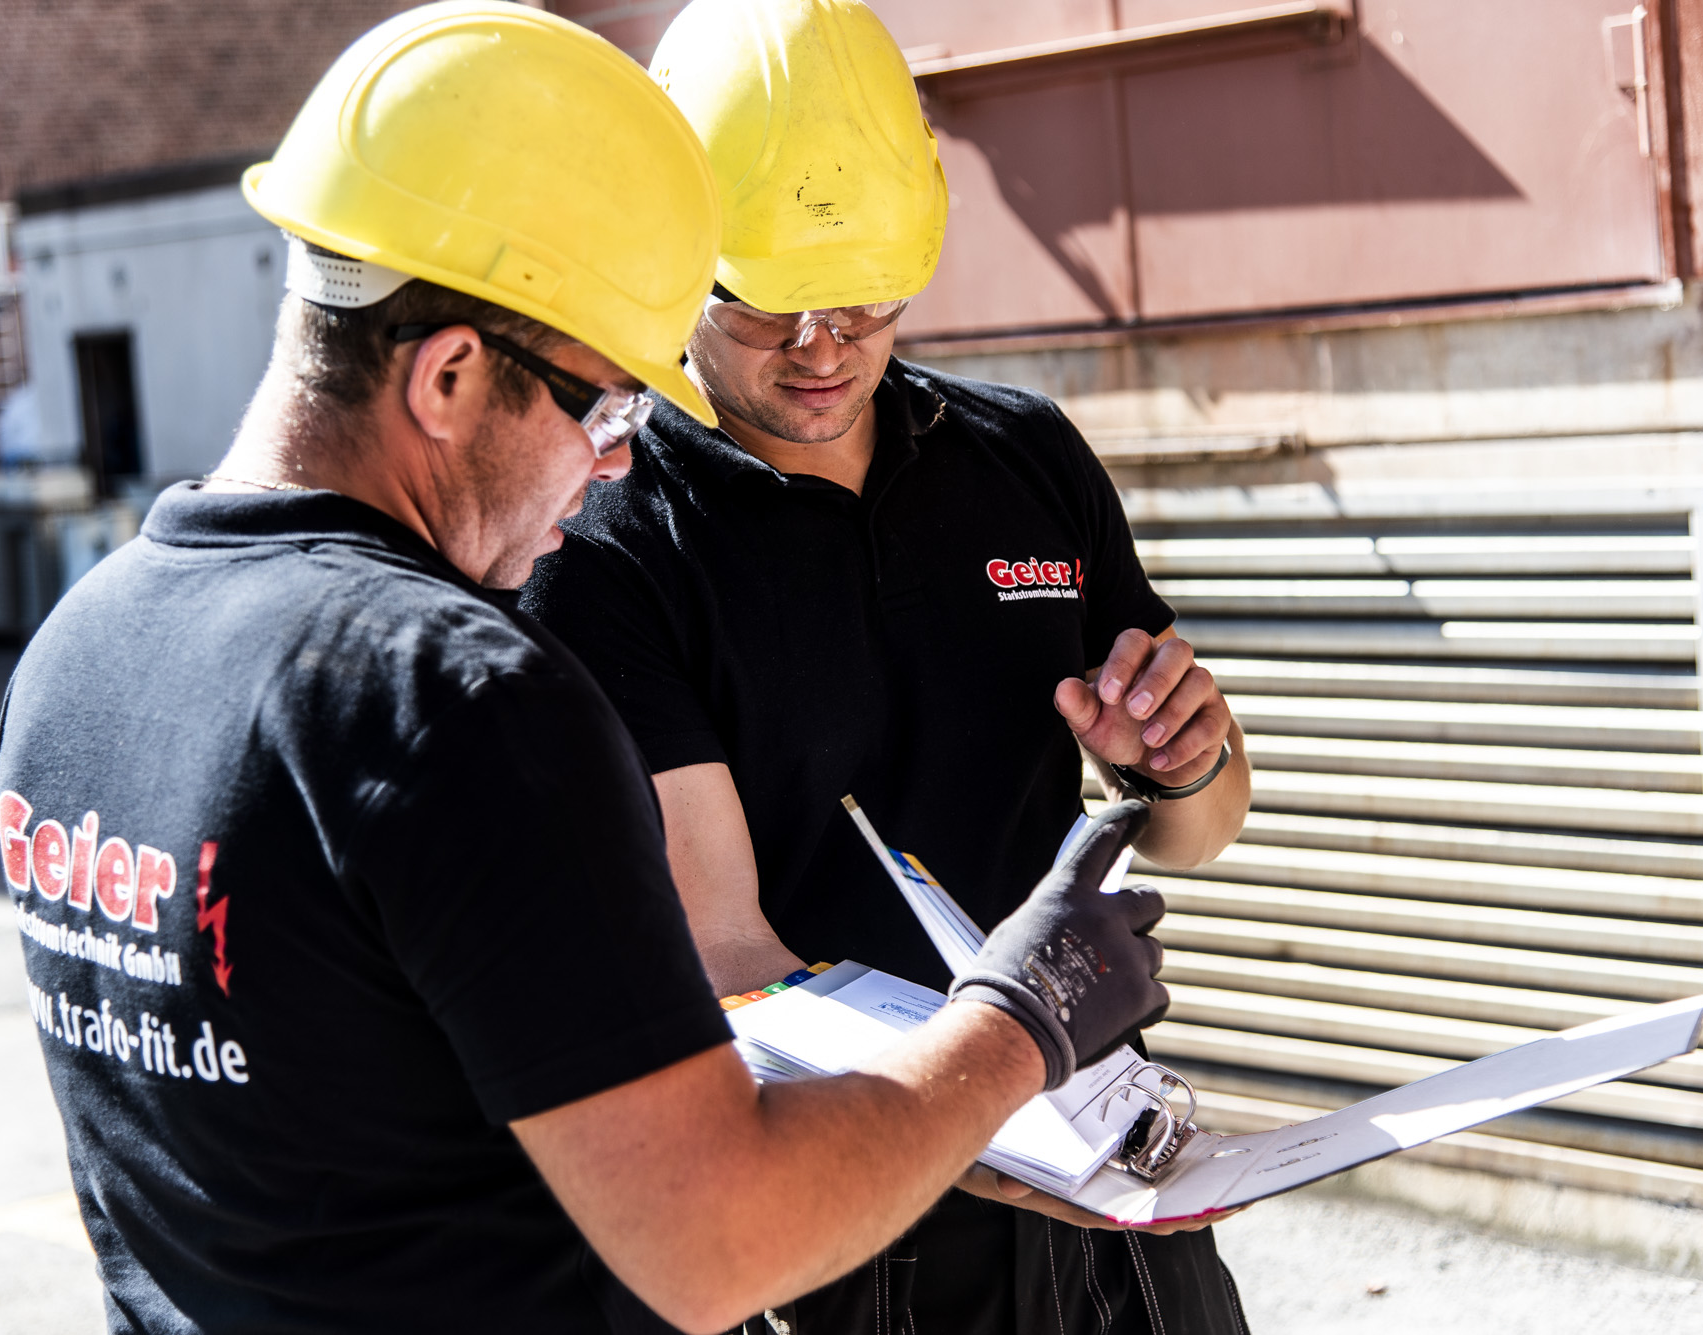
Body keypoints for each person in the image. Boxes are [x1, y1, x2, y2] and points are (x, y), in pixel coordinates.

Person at [0, 7, 1187, 1332]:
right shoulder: (454, 705)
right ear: (448, 375)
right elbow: (720, 1240)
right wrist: (1023, 1022)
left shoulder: (75, 656)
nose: (617, 459)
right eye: (601, 403)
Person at [519, 1, 1256, 1331]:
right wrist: (983, 1090)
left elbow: (1199, 833)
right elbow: (732, 953)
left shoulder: (1022, 456)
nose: (820, 346)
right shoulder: (613, 538)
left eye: (859, 296)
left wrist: (1187, 759)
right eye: (768, 304)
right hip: (853, 1222)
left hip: (1105, 1172)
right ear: (678, 254)